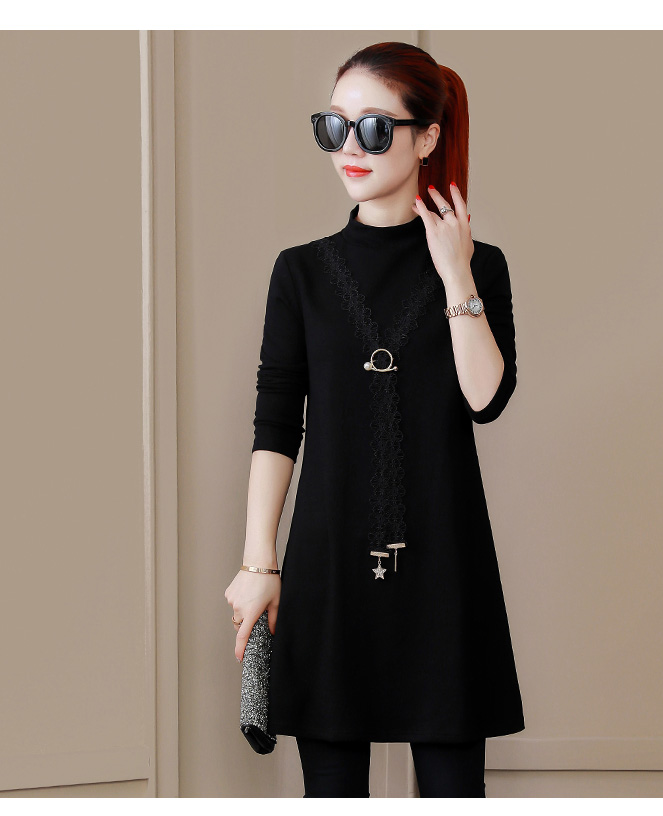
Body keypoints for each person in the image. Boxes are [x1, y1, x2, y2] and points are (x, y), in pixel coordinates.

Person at [224, 41, 524, 798]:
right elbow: (275, 422)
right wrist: (259, 566)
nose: (349, 149)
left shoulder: (480, 266)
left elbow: (486, 398)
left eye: (375, 129)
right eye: (334, 126)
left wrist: (454, 273)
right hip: (329, 572)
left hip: (444, 572)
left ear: (427, 137)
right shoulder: (300, 272)